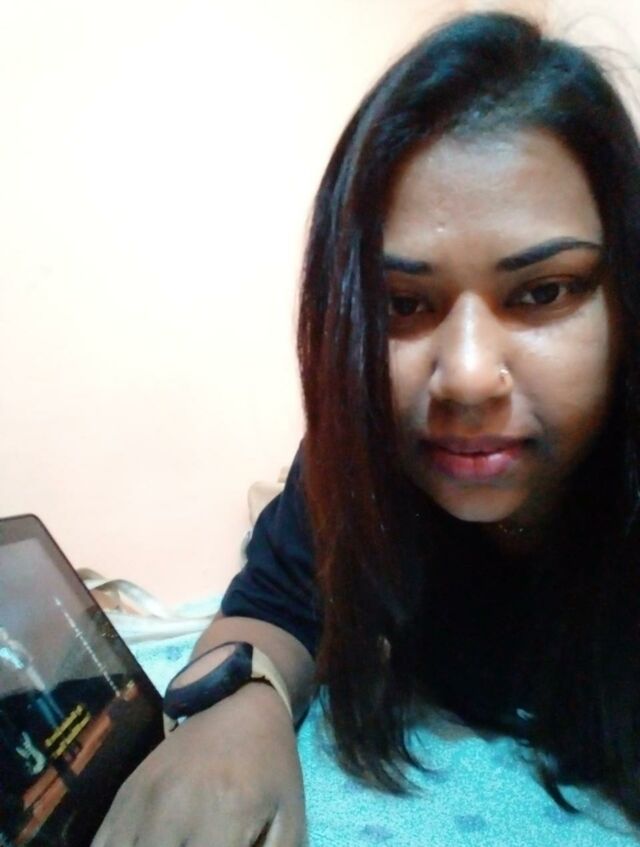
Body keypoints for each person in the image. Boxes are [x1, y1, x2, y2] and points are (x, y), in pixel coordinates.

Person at [92, 10, 640, 846]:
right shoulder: (360, 458)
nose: (465, 376)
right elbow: (272, 608)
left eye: (542, 292)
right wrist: (241, 707)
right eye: (402, 304)